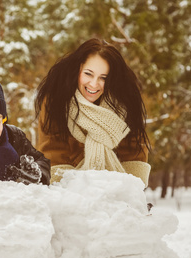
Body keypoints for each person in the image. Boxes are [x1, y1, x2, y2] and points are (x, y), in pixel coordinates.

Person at [35, 38, 151, 186]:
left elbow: (134, 154)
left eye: (104, 78)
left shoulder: (125, 102)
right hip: (69, 188)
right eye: (88, 74)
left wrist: (129, 190)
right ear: (78, 69)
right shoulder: (57, 100)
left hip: (117, 186)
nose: (94, 84)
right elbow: (53, 152)